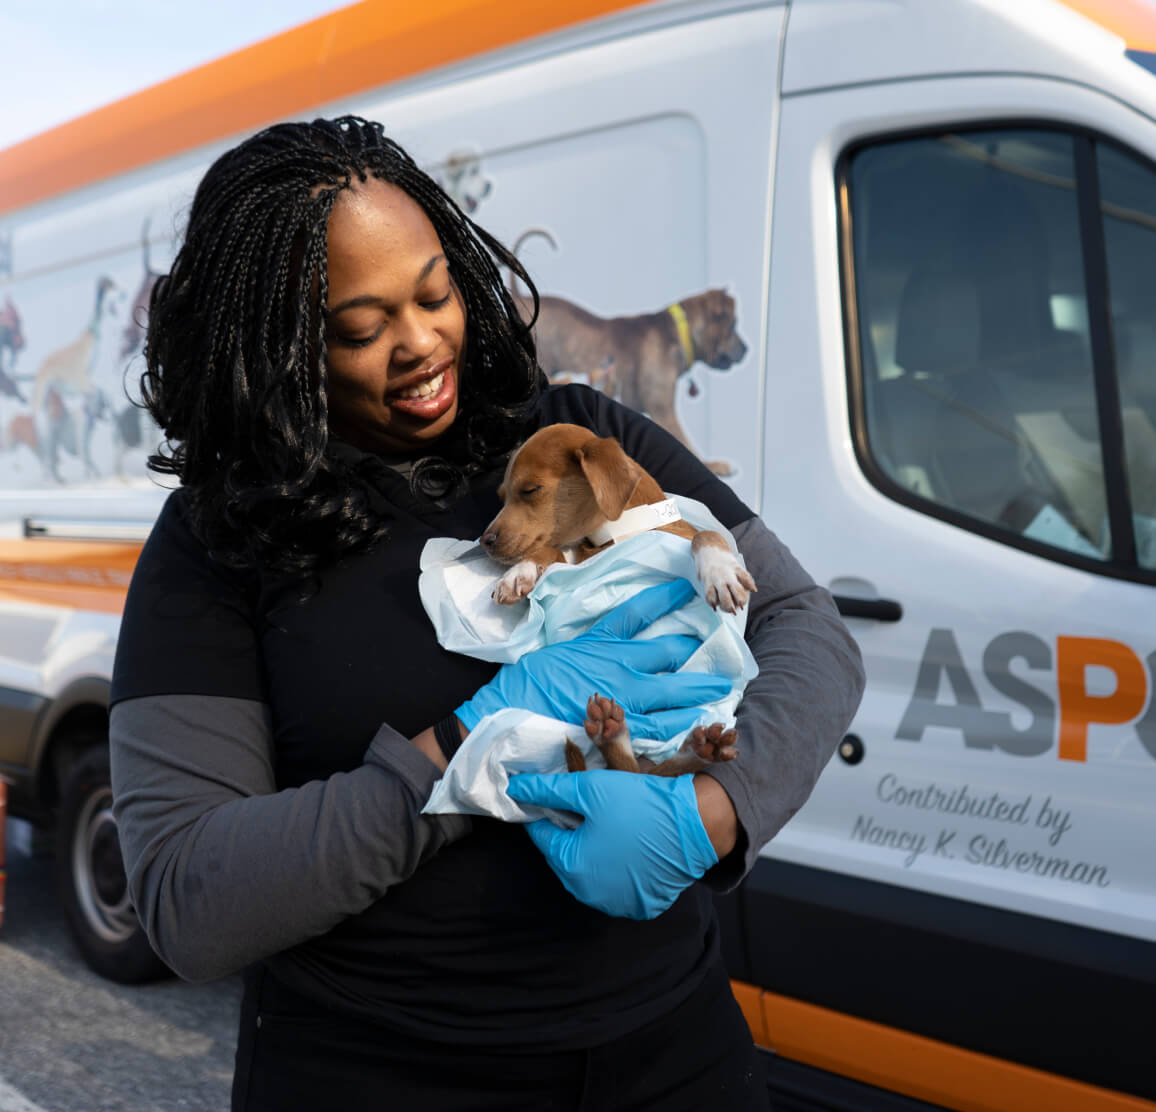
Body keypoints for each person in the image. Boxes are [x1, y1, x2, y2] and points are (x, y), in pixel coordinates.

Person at [109, 116, 865, 1111]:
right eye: (360, 327)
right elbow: (187, 896)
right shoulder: (215, 542)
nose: (421, 343)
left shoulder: (581, 436)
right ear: (277, 347)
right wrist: (467, 752)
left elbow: (806, 625)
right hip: (378, 1070)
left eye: (435, 293)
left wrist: (716, 809)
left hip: (670, 1054)